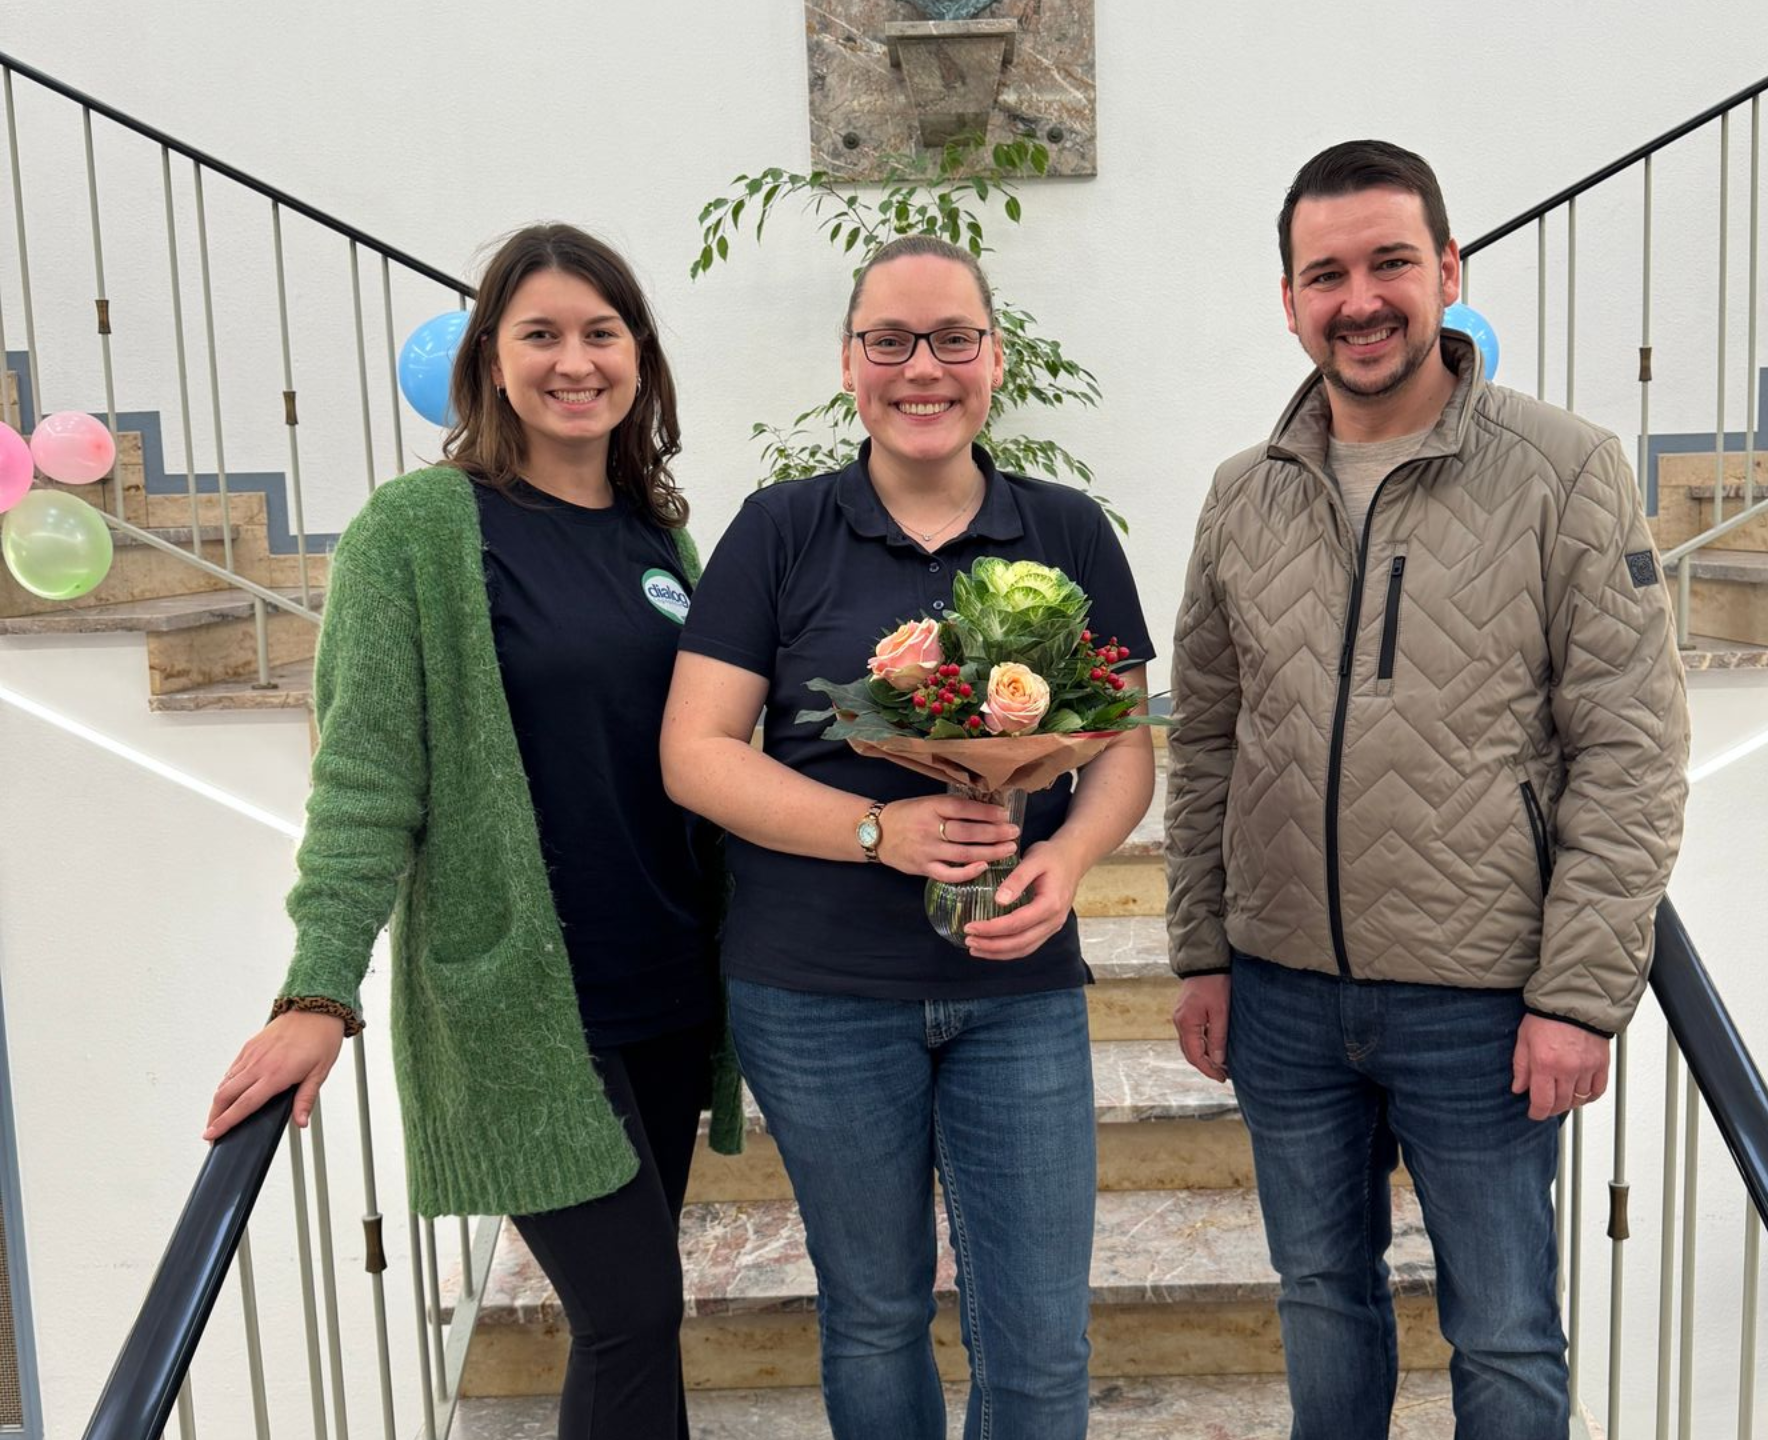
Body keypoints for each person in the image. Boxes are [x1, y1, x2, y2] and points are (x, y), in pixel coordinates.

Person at [1166, 140, 1689, 1437]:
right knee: (1319, 1296)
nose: (1361, 300)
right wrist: (1201, 951)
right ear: (1289, 299)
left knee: (1503, 1335)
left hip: (1484, 1002)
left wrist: (1578, 995)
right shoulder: (1242, 496)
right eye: (1326, 274)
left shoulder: (1565, 470)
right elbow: (1209, 739)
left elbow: (1630, 747)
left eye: (1391, 262)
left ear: (1449, 272)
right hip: (1282, 992)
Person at [202, 223, 742, 1440]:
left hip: (669, 989)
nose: (574, 361)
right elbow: (364, 781)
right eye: (540, 334)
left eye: (601, 333)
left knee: (631, 1319)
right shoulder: (418, 530)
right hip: (523, 1008)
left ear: (640, 355)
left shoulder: (662, 538)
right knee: (631, 1315)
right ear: (490, 358)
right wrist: (318, 991)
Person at [660, 234, 1155, 1440]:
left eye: (952, 339)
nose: (921, 367)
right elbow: (697, 752)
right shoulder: (779, 530)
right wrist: (878, 829)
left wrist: (1066, 859)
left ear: (996, 361)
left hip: (1017, 989)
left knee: (1040, 1340)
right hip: (817, 993)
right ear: (849, 364)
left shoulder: (1068, 531)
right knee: (876, 1314)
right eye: (889, 340)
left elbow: (1124, 748)